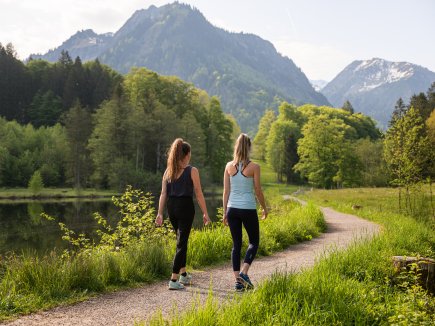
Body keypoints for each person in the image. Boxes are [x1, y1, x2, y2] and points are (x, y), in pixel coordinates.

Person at [156, 138, 211, 290]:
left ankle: (184, 275)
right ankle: (174, 280)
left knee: (181, 239)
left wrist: (160, 213)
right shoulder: (192, 171)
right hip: (185, 207)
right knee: (181, 243)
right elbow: (199, 193)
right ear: (186, 155)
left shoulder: (168, 171)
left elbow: (163, 193)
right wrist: (205, 213)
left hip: (171, 208)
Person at [223, 133, 268, 291]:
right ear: (249, 147)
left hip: (232, 209)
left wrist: (224, 212)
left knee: (236, 245)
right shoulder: (254, 167)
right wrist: (264, 207)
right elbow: (258, 190)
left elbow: (226, 191)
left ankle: (238, 282)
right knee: (254, 242)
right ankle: (243, 273)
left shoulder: (229, 166)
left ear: (236, 147)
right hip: (248, 208)